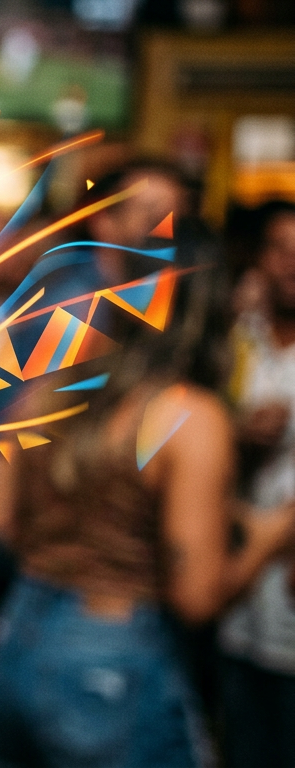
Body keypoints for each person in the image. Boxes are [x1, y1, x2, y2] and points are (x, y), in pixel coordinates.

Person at [0, 213, 295, 768]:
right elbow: (196, 599)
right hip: (113, 656)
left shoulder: (57, 388)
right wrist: (272, 535)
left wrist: (75, 535)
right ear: (212, 307)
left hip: (19, 634)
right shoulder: (189, 415)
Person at [220, 200, 295, 768]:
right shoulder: (236, 337)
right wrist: (237, 432)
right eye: (280, 249)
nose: (292, 263)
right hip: (233, 575)